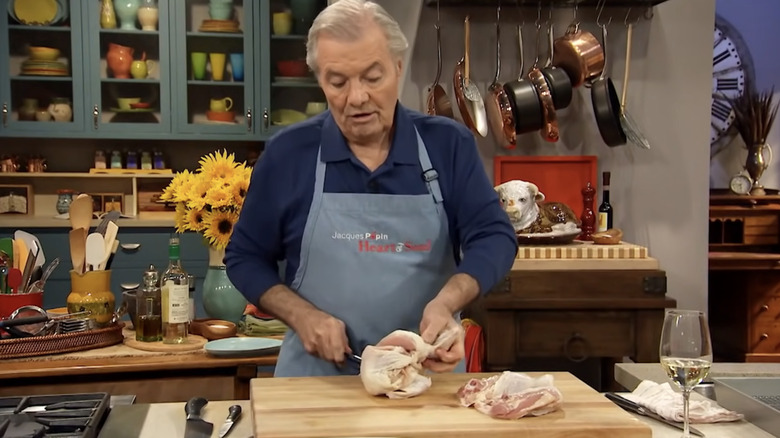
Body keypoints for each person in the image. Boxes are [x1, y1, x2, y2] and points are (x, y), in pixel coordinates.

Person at [225, 0, 517, 377]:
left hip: (424, 375)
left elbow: (494, 236)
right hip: (318, 384)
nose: (357, 97)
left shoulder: (448, 145)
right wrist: (302, 315)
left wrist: (447, 303)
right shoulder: (288, 154)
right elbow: (245, 256)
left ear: (398, 67)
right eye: (338, 81)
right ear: (320, 80)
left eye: (372, 77)